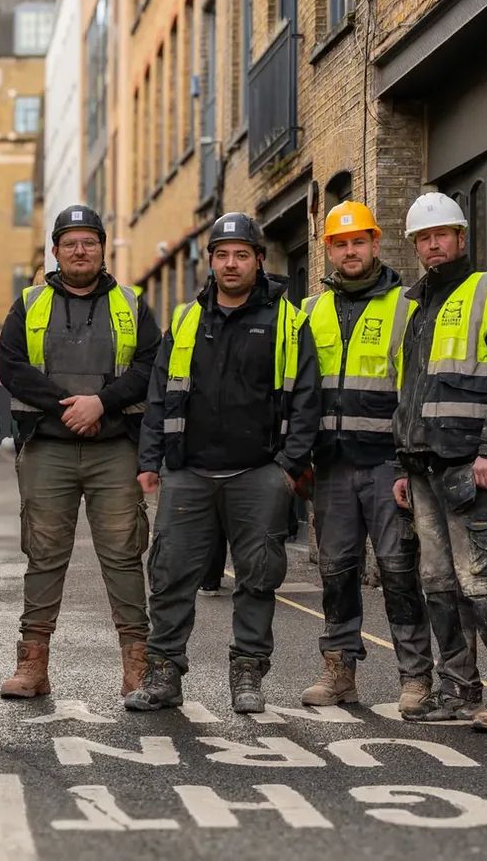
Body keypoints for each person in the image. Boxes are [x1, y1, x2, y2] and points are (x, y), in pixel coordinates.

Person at [125, 212, 320, 715]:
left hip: (259, 473)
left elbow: (306, 400)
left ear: (259, 260)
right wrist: (151, 459)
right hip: (188, 473)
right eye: (222, 255)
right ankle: (164, 675)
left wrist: (287, 468)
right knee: (169, 575)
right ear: (210, 261)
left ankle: (248, 674)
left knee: (258, 577)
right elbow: (160, 395)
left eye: (241, 255)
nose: (231, 263)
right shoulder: (186, 320)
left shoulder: (288, 321)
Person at [0, 204, 161, 698]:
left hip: (114, 449)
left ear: (103, 248)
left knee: (123, 554)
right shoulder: (29, 304)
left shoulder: (132, 304)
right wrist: (68, 407)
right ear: (55, 251)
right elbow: (13, 366)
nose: (80, 250)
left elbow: (150, 366)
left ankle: (137, 667)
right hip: (48, 446)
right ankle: (32, 666)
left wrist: (101, 404)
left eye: (89, 241)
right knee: (44, 554)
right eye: (70, 243)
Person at [393, 192, 487, 732]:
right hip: (423, 467)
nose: (433, 245)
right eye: (423, 239)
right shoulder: (417, 304)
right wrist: (402, 465)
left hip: (470, 466)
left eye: (441, 235)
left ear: (460, 237)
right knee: (438, 583)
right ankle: (458, 688)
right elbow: (409, 390)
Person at [295, 201, 437, 713]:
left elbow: (417, 391)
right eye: (340, 244)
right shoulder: (310, 311)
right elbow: (297, 389)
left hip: (386, 466)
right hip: (330, 465)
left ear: (376, 244)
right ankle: (338, 673)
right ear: (328, 251)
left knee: (399, 571)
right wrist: (298, 456)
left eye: (359, 241)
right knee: (336, 572)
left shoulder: (406, 306)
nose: (350, 251)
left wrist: (408, 463)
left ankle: (415, 677)